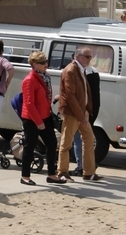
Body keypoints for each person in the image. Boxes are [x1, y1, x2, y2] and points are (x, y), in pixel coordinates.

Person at [19, 51, 66, 185]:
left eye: (46, 62)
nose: (46, 64)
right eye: (42, 63)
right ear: (34, 64)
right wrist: (38, 122)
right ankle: (25, 176)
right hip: (32, 118)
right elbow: (29, 103)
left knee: (51, 143)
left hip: (45, 115)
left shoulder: (44, 77)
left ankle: (52, 174)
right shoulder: (29, 80)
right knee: (30, 146)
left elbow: (46, 97)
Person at [57, 47, 100, 181]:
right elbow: (70, 96)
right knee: (66, 142)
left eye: (90, 57)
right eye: (87, 57)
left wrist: (87, 110)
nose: (89, 59)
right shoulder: (70, 70)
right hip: (72, 113)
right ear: (78, 56)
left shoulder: (81, 70)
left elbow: (85, 93)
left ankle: (88, 172)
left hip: (82, 112)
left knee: (89, 138)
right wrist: (81, 116)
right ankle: (62, 172)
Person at [71, 61, 101, 176]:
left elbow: (80, 94)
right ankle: (89, 164)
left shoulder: (82, 74)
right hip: (93, 109)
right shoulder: (93, 71)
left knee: (79, 138)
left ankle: (81, 166)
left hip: (84, 110)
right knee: (87, 139)